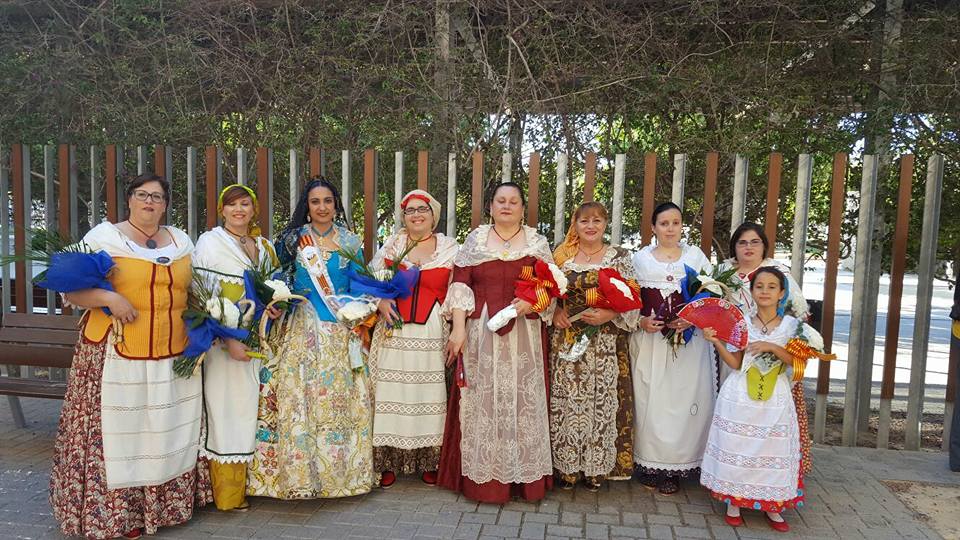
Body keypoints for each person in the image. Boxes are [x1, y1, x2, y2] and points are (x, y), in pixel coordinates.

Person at [49, 174, 211, 539]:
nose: (149, 202)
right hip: (116, 353)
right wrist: (109, 298)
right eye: (142, 195)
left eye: (156, 196)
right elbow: (70, 291)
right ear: (130, 200)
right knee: (122, 433)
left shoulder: (182, 241)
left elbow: (195, 291)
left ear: (166, 204)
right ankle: (117, 516)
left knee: (164, 431)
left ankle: (162, 507)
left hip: (172, 355)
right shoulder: (104, 238)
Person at [245, 177, 375, 499]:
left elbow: (359, 286)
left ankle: (340, 477)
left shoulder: (350, 241)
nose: (322, 207)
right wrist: (273, 304)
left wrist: (359, 315)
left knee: (336, 404)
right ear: (307, 206)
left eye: (328, 201)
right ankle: (301, 477)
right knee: (298, 399)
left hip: (338, 332)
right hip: (299, 329)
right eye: (315, 201)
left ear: (336, 204)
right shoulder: (292, 241)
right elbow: (278, 281)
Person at [437, 181, 555, 503]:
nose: (506, 206)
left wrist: (534, 303)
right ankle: (485, 480)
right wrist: (458, 331)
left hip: (523, 336)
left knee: (521, 401)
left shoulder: (536, 242)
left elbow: (552, 284)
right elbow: (460, 285)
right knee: (484, 402)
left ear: (521, 208)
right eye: (500, 201)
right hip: (481, 336)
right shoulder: (475, 240)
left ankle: (523, 480)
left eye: (513, 201)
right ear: (491, 206)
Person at [193, 184, 279, 511]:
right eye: (232, 205)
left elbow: (272, 290)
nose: (239, 210)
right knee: (228, 412)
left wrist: (275, 307)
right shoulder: (210, 242)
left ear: (254, 209)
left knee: (253, 414)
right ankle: (228, 496)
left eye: (245, 204)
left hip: (261, 339)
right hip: (223, 340)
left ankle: (255, 485)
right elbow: (200, 293)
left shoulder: (265, 246)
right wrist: (228, 337)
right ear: (222, 209)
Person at [700, 267, 807, 533]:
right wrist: (717, 342)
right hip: (740, 395)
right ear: (752, 291)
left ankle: (773, 505)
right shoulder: (742, 322)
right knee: (738, 445)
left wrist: (771, 347)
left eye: (772, 287)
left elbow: (800, 363)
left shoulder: (793, 326)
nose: (765, 291)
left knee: (772, 449)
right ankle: (733, 501)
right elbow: (736, 363)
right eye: (759, 286)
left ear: (782, 293)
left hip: (776, 397)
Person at [367, 189, 458, 487]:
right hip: (395, 331)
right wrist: (380, 302)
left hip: (431, 330)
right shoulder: (392, 246)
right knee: (392, 393)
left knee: (428, 394)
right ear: (403, 217)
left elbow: (459, 291)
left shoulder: (450, 249)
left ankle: (428, 460)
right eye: (410, 210)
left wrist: (457, 327)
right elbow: (371, 281)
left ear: (434, 215)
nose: (416, 214)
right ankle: (389, 461)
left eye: (423, 209)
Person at [549, 202, 641, 491]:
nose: (591, 226)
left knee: (599, 400)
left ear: (605, 224)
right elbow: (548, 293)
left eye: (597, 220)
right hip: (568, 339)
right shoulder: (562, 257)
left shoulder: (619, 257)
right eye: (584, 221)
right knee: (569, 400)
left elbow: (633, 295)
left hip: (606, 341)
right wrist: (556, 313)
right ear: (575, 225)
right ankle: (567, 467)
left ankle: (596, 468)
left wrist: (609, 314)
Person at [629, 201, 716, 495]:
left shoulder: (695, 257)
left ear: (681, 226)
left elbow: (710, 295)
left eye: (675, 222)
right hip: (651, 342)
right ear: (653, 228)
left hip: (688, 343)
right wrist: (641, 321)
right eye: (663, 223)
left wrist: (691, 319)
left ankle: (676, 468)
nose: (670, 228)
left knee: (682, 402)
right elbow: (629, 298)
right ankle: (650, 464)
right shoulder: (639, 259)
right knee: (651, 401)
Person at [719, 222, 813, 475]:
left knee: (769, 415)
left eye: (754, 242)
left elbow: (800, 310)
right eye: (742, 242)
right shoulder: (723, 271)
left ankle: (772, 472)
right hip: (736, 347)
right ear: (734, 247)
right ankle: (734, 468)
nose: (748, 247)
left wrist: (779, 335)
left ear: (764, 246)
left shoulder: (777, 272)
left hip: (773, 356)